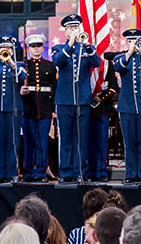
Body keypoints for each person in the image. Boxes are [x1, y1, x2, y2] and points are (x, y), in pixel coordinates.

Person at [53, 14, 101, 181]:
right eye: (70, 28)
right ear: (65, 31)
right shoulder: (59, 48)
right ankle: (65, 173)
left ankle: (80, 171)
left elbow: (97, 63)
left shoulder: (87, 49)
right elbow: (58, 62)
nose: (73, 30)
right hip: (64, 101)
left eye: (76, 27)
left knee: (81, 139)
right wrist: (71, 43)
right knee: (66, 138)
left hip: (83, 100)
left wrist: (87, 45)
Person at [114, 29, 141, 182]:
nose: (135, 43)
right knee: (130, 142)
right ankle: (131, 174)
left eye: (137, 40)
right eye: (132, 40)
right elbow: (118, 67)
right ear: (127, 42)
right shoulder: (121, 57)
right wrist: (130, 51)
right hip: (126, 107)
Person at [0, 34, 26, 181]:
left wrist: (12, 63)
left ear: (12, 51)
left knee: (12, 142)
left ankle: (12, 173)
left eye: (7, 49)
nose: (5, 51)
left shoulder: (18, 66)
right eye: (2, 49)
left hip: (13, 108)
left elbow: (21, 78)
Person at [20, 34, 56, 182]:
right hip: (28, 108)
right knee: (29, 142)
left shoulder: (49, 65)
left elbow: (54, 87)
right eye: (33, 46)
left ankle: (41, 172)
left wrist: (53, 109)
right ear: (29, 48)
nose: (36, 49)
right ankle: (28, 172)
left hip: (45, 108)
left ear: (42, 48)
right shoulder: (23, 66)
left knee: (42, 142)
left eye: (38, 46)